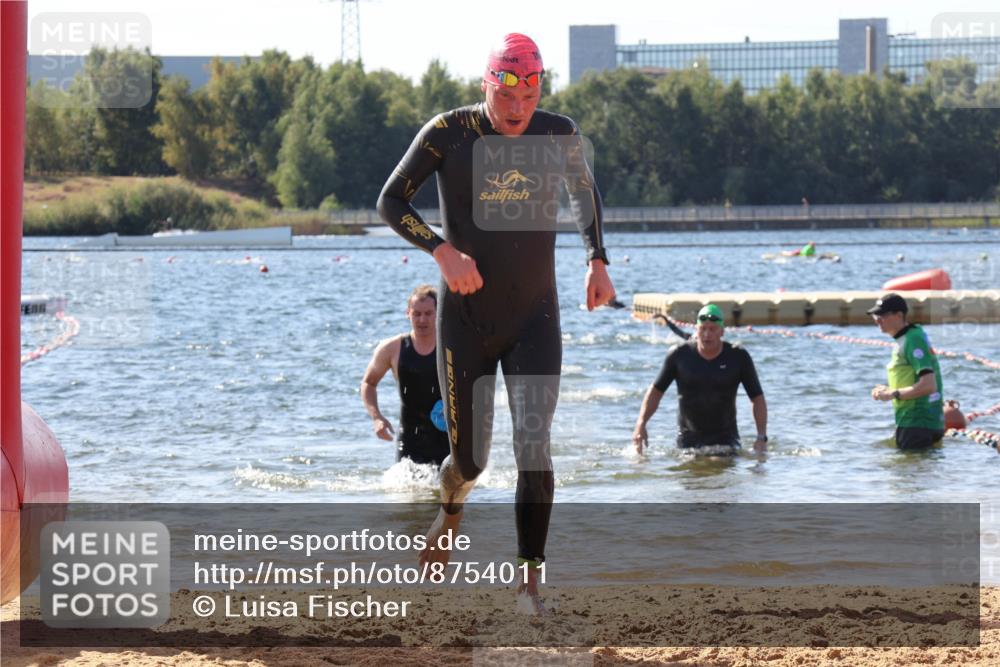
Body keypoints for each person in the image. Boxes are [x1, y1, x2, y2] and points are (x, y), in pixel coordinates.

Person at [376, 32, 615, 613]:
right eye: (506, 97)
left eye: (528, 98)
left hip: (536, 315)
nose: (516, 111)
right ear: (488, 86)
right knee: (471, 462)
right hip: (467, 321)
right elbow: (391, 200)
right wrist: (442, 252)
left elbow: (585, 194)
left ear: (539, 91)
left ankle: (529, 582)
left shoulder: (557, 133)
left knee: (534, 448)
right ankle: (451, 508)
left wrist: (597, 261)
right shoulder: (449, 132)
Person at [633, 304, 768, 454]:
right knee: (692, 473)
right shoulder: (678, 356)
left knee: (720, 468)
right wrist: (641, 424)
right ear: (696, 330)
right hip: (688, 441)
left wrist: (761, 437)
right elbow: (656, 392)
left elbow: (757, 398)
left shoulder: (738, 357)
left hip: (726, 441)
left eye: (712, 329)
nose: (706, 334)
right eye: (703, 328)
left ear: (722, 331)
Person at [361, 285, 449, 466]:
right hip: (410, 439)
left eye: (428, 313)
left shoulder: (451, 347)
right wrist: (377, 417)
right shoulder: (391, 349)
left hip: (448, 438)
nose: (422, 319)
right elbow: (368, 383)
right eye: (416, 313)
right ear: (407, 313)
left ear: (438, 313)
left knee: (453, 493)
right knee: (408, 490)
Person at [867, 293, 945, 449]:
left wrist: (892, 394)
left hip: (917, 422)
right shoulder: (909, 336)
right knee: (916, 468)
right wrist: (889, 390)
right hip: (920, 422)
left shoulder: (912, 339)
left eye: (883, 315)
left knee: (909, 471)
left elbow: (929, 385)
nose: (878, 320)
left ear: (899, 315)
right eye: (876, 315)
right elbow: (914, 380)